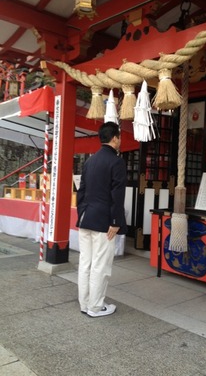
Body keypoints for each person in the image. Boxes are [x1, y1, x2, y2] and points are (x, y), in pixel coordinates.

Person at [76, 121, 127, 317]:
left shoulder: (89, 161)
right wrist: (116, 221)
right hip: (104, 222)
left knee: (86, 263)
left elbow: (81, 192)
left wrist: (82, 212)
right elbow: (117, 195)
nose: (120, 140)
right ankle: (95, 307)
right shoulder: (116, 162)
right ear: (114, 138)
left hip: (85, 218)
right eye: (119, 137)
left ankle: (85, 303)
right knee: (100, 265)